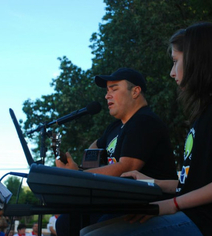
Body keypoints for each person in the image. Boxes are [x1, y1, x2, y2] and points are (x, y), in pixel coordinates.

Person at [80, 22, 212, 236]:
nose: (172, 73)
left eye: (175, 62)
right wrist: (151, 182)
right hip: (192, 215)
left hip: (209, 224)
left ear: (195, 59)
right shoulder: (206, 112)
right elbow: (192, 183)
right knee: (88, 230)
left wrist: (172, 204)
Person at [55, 67, 178, 235]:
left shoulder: (144, 121)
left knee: (91, 229)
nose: (107, 96)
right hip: (119, 201)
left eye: (114, 89)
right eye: (107, 91)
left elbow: (126, 167)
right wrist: (84, 168)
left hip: (147, 204)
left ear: (135, 91)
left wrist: (80, 176)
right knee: (66, 222)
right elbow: (96, 145)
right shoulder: (116, 126)